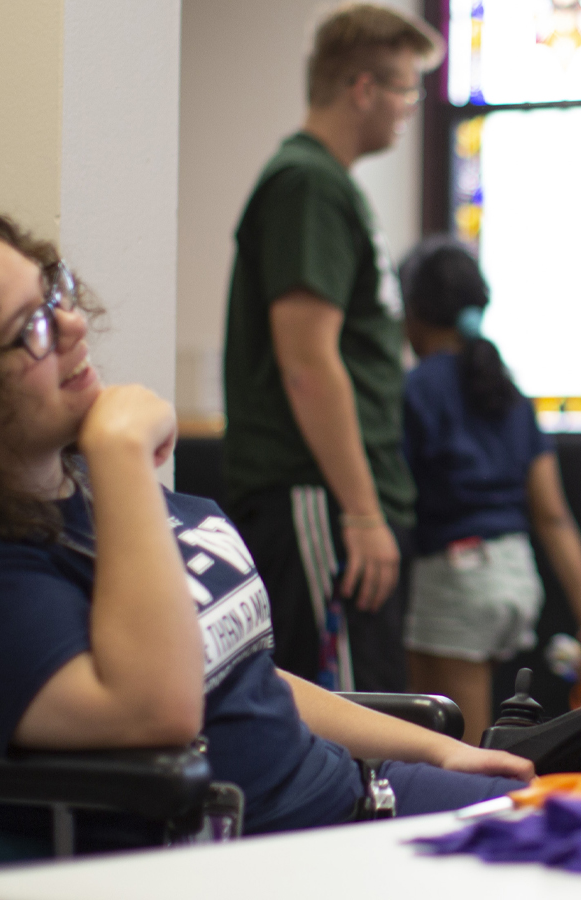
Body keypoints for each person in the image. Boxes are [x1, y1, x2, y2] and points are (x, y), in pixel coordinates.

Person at [0, 207, 531, 851]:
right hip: (257, 851)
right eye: (29, 326)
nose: (74, 324)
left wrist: (436, 753)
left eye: (53, 293)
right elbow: (158, 708)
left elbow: (238, 676)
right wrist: (121, 456)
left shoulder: (85, 498)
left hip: (354, 804)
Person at [221, 3, 440, 692]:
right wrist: (361, 509)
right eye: (405, 88)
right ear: (363, 89)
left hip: (341, 490)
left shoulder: (329, 182)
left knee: (371, 699)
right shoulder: (307, 182)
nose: (409, 107)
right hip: (317, 493)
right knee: (349, 712)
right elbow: (308, 361)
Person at [397, 237, 581, 744]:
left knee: (455, 746)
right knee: (445, 733)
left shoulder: (418, 388)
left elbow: (393, 495)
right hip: (515, 574)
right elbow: (552, 515)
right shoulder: (508, 391)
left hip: (457, 576)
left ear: (415, 314)